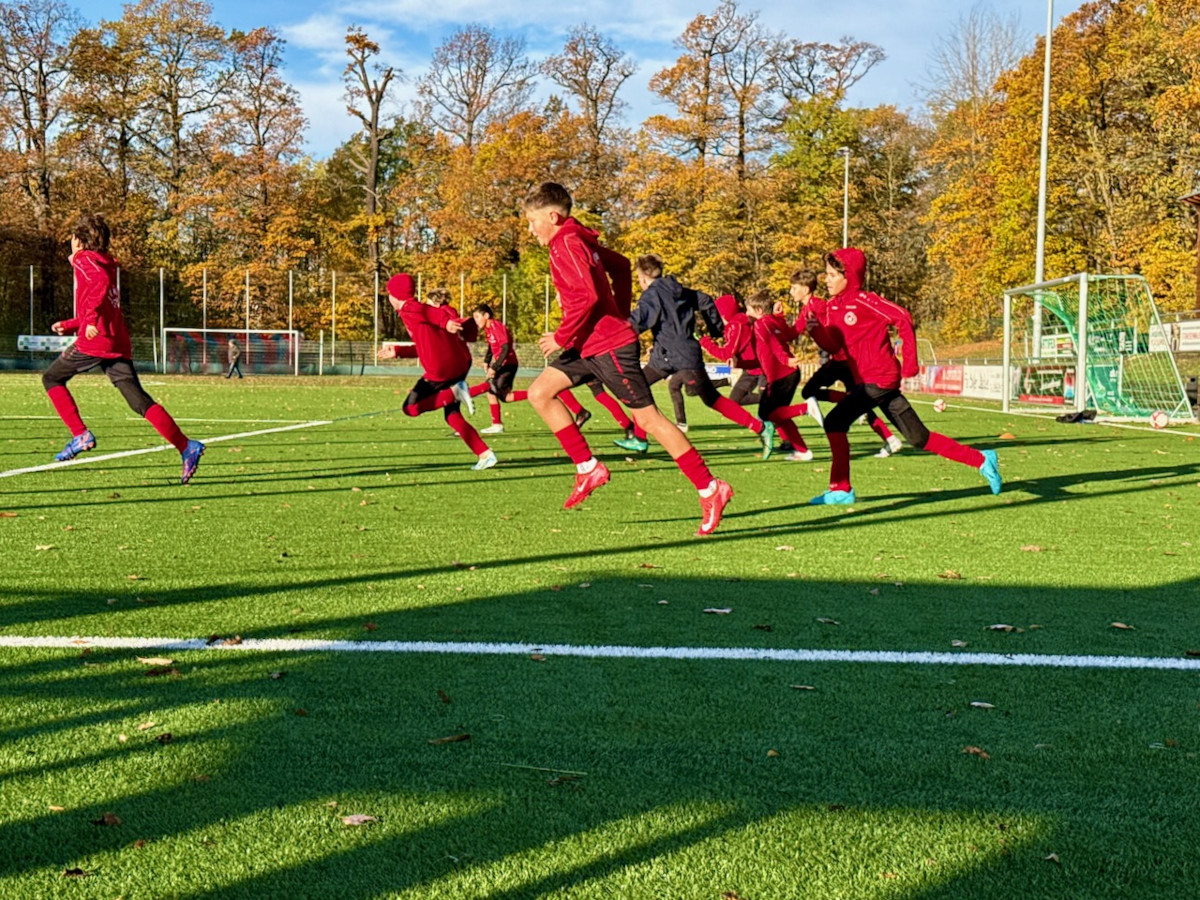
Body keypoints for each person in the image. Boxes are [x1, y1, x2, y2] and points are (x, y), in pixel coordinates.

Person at [522, 181, 731, 535]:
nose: (530, 231)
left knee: (648, 420)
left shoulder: (566, 243)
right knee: (540, 393)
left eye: (532, 222)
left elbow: (587, 297)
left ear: (553, 217)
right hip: (590, 344)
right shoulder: (578, 240)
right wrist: (615, 314)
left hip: (607, 348)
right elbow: (619, 267)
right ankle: (588, 468)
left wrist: (562, 335)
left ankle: (711, 488)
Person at [806, 247, 1001, 505]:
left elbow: (903, 318)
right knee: (918, 437)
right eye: (827, 274)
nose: (826, 279)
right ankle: (981, 458)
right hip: (867, 380)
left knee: (834, 423)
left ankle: (841, 490)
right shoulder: (832, 307)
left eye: (832, 275)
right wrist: (816, 331)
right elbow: (834, 347)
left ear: (848, 276)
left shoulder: (867, 300)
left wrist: (910, 362)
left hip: (880, 377)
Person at [43, 212, 204, 484]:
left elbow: (98, 288)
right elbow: (102, 299)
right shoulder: (107, 264)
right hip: (116, 340)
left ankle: (80, 434)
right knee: (138, 401)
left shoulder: (84, 260)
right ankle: (187, 447)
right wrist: (72, 324)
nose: (70, 244)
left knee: (51, 378)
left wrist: (89, 321)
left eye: (71, 239)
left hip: (97, 341)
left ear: (80, 241)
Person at [625, 253, 775, 457]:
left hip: (683, 357)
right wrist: (716, 330)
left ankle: (761, 428)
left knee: (711, 399)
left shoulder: (652, 295)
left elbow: (636, 322)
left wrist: (615, 336)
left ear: (642, 278)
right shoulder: (681, 292)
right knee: (637, 387)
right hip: (666, 356)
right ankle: (640, 439)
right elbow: (705, 301)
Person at [377, 274, 495, 470]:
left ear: (395, 295)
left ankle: (461, 391)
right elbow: (425, 344)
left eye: (389, 293)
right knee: (451, 415)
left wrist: (445, 322)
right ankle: (485, 454)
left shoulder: (409, 307)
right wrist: (397, 351)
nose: (388, 298)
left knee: (411, 408)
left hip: (440, 371)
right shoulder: (414, 312)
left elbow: (430, 312)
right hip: (456, 367)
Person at [791, 267, 903, 458]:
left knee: (815, 392)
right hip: (838, 360)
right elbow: (793, 332)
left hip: (845, 360)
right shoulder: (806, 310)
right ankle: (890, 439)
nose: (791, 292)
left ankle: (889, 438)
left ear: (805, 289)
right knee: (815, 392)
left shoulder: (819, 306)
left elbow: (831, 332)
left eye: (794, 288)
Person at [744, 291, 813, 461]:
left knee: (770, 414)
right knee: (779, 415)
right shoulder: (772, 320)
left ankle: (806, 409)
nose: (746, 314)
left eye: (749, 310)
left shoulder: (761, 324)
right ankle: (803, 451)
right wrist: (781, 316)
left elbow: (773, 344)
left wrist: (786, 359)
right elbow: (790, 334)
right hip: (785, 375)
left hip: (782, 375)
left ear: (759, 310)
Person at [471, 303, 527, 434]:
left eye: (477, 317)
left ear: (486, 315)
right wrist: (487, 361)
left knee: (491, 390)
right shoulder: (488, 329)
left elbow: (505, 348)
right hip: (503, 364)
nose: (476, 320)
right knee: (504, 396)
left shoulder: (496, 326)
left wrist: (495, 367)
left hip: (508, 365)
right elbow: (492, 346)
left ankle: (497, 424)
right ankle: (536, 394)